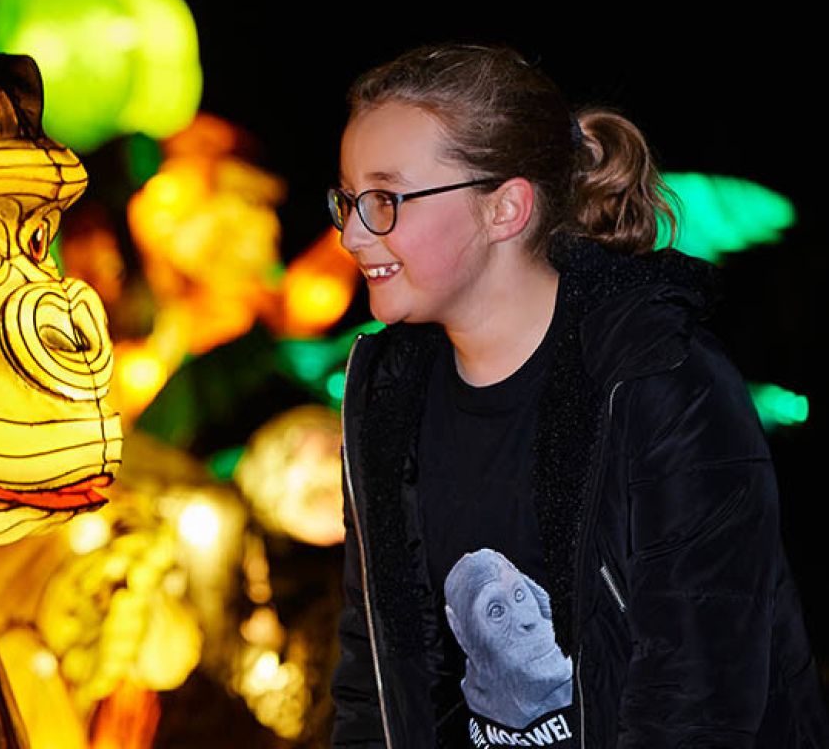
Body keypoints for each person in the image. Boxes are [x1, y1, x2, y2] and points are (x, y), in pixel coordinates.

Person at [326, 43, 828, 747]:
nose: (350, 233)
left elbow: (698, 700)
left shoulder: (660, 385)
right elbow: (372, 676)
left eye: (384, 199)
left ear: (504, 208)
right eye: (347, 199)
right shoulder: (384, 395)